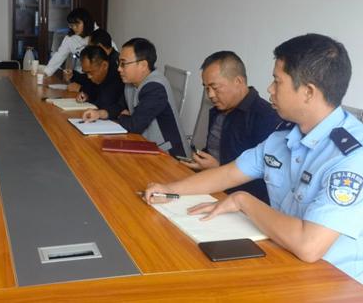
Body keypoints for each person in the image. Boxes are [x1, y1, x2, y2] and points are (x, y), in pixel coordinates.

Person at [144, 34, 363, 284]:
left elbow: (309, 245)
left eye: (277, 81)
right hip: (282, 257)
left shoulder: (352, 155)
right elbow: (228, 174)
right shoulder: (283, 136)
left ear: (308, 92)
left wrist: (243, 200)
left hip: (333, 282)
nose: (270, 89)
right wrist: (170, 190)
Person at [180, 51, 282, 204]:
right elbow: (214, 150)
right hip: (209, 186)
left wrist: (217, 168)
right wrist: (200, 161)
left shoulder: (266, 117)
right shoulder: (217, 111)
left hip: (236, 201)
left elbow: (265, 182)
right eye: (206, 88)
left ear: (238, 81)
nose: (210, 95)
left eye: (214, 87)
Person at [82, 38, 190, 157]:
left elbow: (135, 125)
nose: (119, 69)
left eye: (124, 64)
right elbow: (120, 106)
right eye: (119, 63)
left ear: (143, 65)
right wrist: (99, 114)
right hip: (146, 147)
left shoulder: (155, 87)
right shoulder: (131, 83)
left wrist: (122, 116)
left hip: (169, 155)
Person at [40, 8, 97, 78]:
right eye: (71, 25)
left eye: (77, 25)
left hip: (94, 76)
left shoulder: (97, 35)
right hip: (79, 76)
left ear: (85, 22)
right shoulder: (70, 39)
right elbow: (59, 56)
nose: (74, 28)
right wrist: (47, 72)